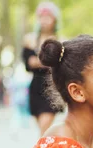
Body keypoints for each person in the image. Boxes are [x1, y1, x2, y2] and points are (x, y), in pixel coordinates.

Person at [22, 2, 64, 135]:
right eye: (42, 17)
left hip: (51, 87)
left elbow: (60, 64)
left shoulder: (61, 40)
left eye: (48, 17)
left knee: (44, 128)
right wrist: (48, 62)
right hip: (35, 88)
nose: (45, 21)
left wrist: (38, 62)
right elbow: (29, 63)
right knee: (43, 128)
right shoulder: (30, 40)